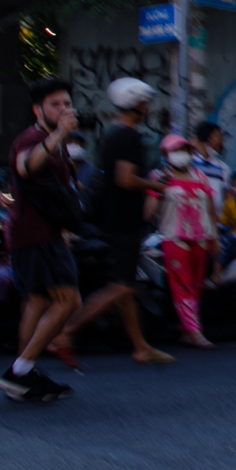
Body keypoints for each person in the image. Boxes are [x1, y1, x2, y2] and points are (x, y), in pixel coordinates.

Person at [54, 77, 172, 366]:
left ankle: (141, 346)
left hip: (112, 219)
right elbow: (125, 178)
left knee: (124, 284)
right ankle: (67, 332)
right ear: (135, 104)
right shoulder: (129, 136)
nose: (147, 107)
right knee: (122, 286)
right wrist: (158, 187)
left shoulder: (111, 134)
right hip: (125, 221)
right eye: (144, 102)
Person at [0, 78, 83, 401]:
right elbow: (25, 167)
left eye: (66, 103)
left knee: (38, 301)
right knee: (68, 301)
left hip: (37, 234)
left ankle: (24, 375)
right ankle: (19, 371)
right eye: (55, 105)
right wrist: (61, 133)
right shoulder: (32, 138)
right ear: (38, 109)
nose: (63, 110)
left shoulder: (52, 141)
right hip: (35, 235)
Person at [153, 134, 220, 349]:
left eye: (184, 149)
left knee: (195, 285)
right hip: (174, 236)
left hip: (201, 237)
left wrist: (215, 236)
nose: (181, 154)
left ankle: (186, 328)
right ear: (165, 154)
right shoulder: (158, 177)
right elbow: (149, 208)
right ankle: (194, 332)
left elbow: (210, 209)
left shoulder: (200, 176)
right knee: (181, 285)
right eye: (175, 150)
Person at [191, 121, 232, 207]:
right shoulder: (189, 163)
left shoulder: (222, 167)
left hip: (216, 218)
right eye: (219, 138)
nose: (222, 143)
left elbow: (227, 196)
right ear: (207, 138)